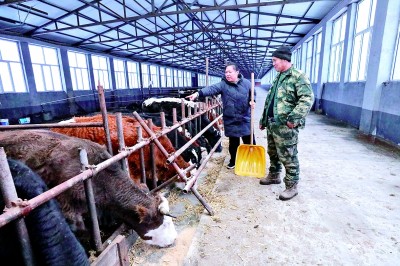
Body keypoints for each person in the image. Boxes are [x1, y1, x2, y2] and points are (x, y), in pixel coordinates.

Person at [259, 46, 314, 201]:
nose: (273, 64)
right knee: (273, 153)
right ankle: (274, 175)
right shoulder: (278, 77)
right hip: (272, 124)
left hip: (285, 126)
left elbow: (307, 99)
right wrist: (263, 120)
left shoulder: (297, 76)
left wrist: (293, 119)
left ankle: (291, 186)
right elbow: (270, 100)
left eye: (275, 61)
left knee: (288, 156)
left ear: (284, 60)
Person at [186, 62, 255, 169]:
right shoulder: (223, 84)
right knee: (233, 143)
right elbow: (211, 89)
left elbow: (252, 93)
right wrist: (198, 93)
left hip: (244, 117)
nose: (227, 74)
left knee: (249, 140)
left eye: (230, 72)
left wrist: (252, 101)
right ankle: (233, 161)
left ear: (237, 72)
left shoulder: (246, 83)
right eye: (226, 72)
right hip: (231, 118)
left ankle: (251, 160)